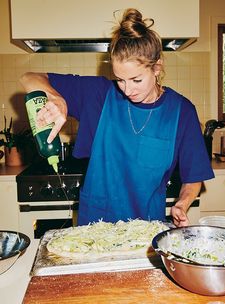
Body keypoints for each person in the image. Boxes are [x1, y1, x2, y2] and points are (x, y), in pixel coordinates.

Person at [20, 8, 214, 227]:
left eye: (136, 80)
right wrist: (57, 98)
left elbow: (193, 177)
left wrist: (182, 203)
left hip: (146, 232)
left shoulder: (182, 112)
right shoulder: (100, 95)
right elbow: (29, 77)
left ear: (157, 68)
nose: (127, 90)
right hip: (94, 229)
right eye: (120, 80)